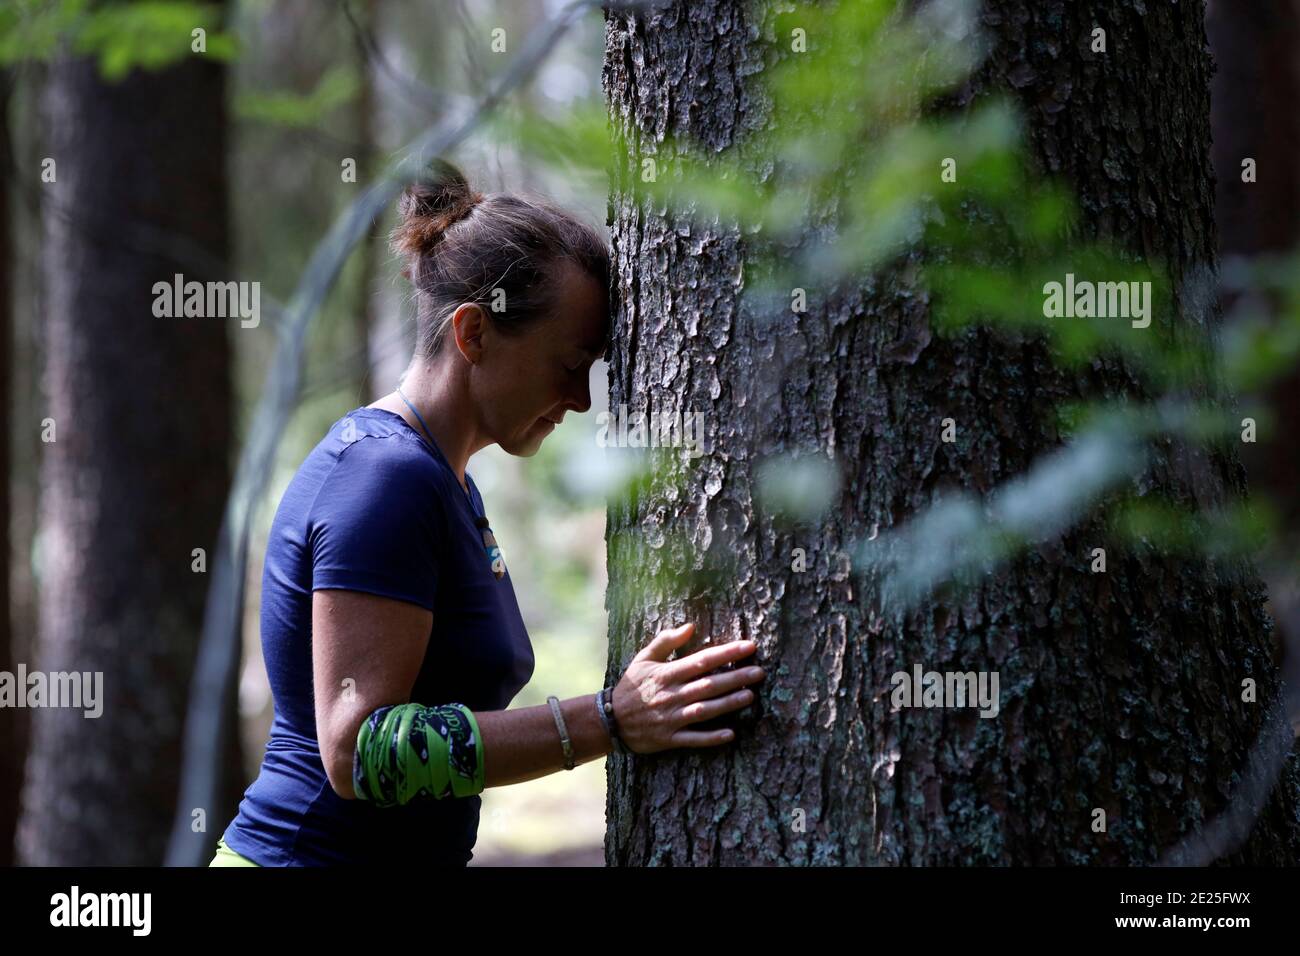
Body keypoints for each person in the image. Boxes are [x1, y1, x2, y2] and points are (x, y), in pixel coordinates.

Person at [210, 160, 766, 866]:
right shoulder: (384, 476)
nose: (583, 400)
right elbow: (356, 750)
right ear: (473, 334)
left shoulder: (444, 483)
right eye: (568, 364)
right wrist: (607, 721)